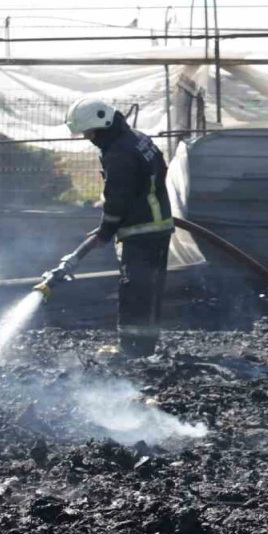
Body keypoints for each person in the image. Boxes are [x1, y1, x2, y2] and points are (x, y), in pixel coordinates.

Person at [64, 98, 173, 358]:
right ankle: (144, 348)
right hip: (158, 224)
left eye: (89, 132)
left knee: (134, 292)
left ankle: (132, 351)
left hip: (140, 230)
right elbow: (159, 172)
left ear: (101, 125)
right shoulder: (137, 138)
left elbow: (117, 198)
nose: (88, 138)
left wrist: (106, 230)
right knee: (149, 291)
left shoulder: (118, 153)